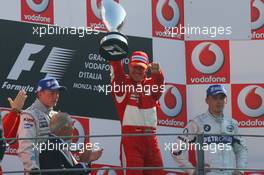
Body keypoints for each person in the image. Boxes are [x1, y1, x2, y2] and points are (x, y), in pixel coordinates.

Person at [171, 84, 248, 175]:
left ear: (226, 100)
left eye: (221, 98)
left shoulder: (232, 123)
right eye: (215, 98)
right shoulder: (197, 122)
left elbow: (241, 149)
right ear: (207, 100)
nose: (218, 101)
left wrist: (240, 170)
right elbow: (176, 149)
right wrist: (192, 171)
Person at [110, 51, 165, 175]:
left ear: (146, 69)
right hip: (131, 141)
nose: (138, 71)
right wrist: (115, 54)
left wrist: (158, 74)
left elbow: (158, 87)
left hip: (152, 140)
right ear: (129, 66)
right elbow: (118, 73)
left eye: (141, 68)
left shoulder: (151, 86)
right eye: (135, 67)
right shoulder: (122, 85)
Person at [17, 77, 66, 174]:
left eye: (57, 93)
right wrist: (33, 168)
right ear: (40, 93)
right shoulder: (30, 115)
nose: (56, 96)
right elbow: (26, 145)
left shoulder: (56, 115)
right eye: (52, 93)